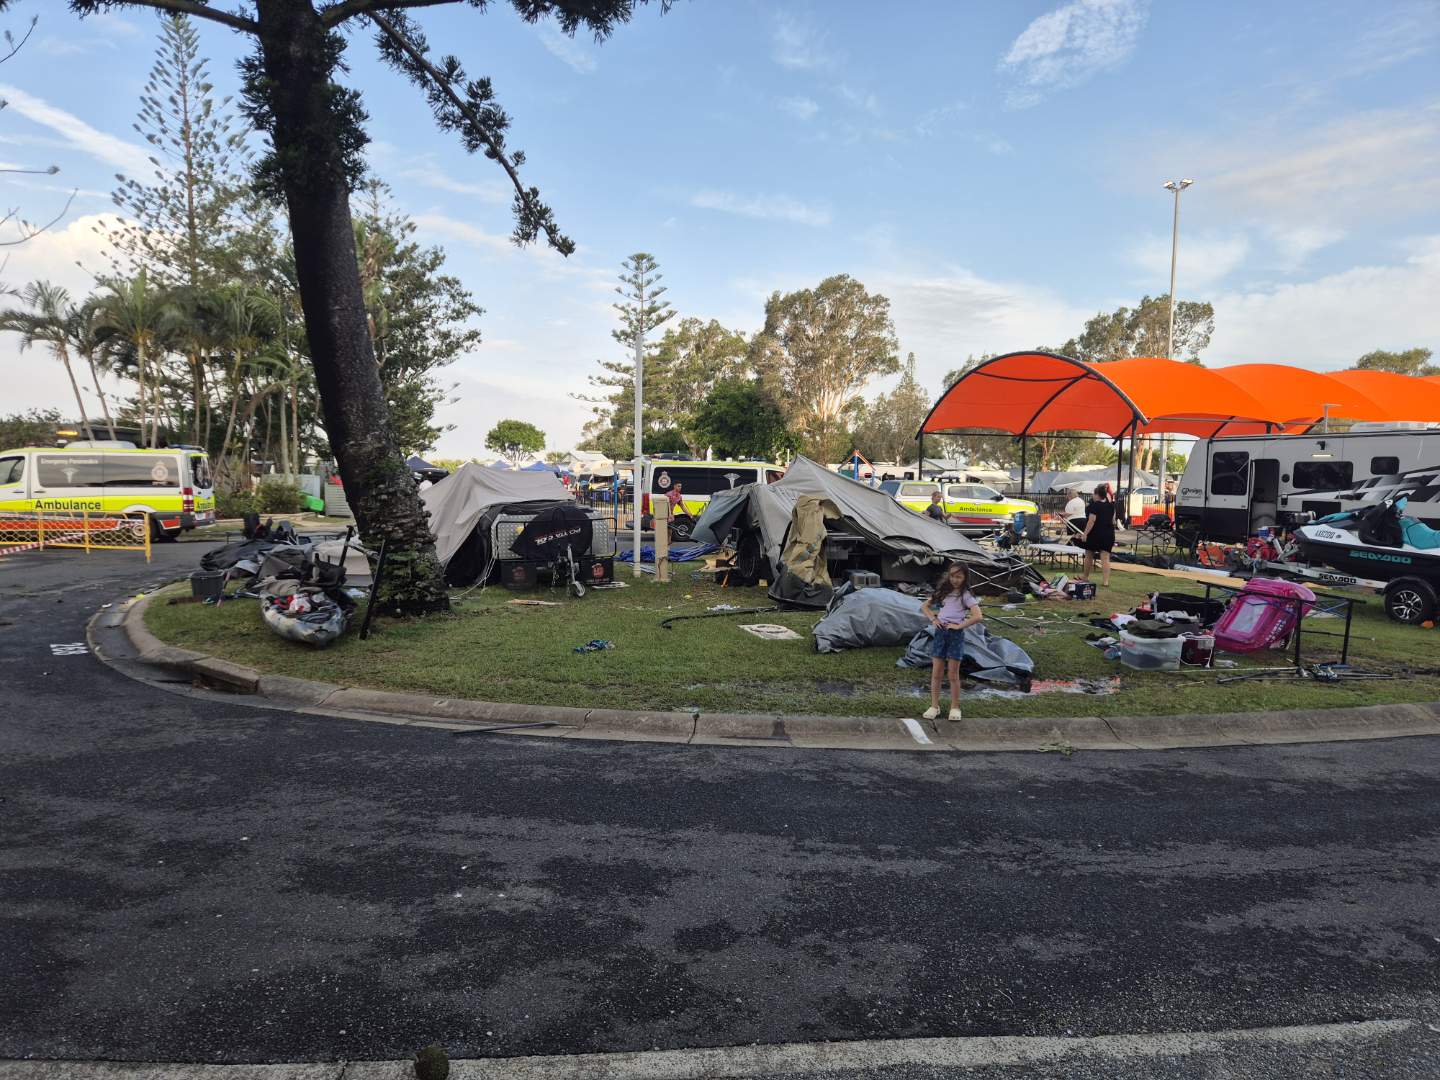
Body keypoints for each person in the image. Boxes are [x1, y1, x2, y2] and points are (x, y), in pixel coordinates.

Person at [920, 562, 983, 722]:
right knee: (936, 673)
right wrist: (933, 619)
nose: (954, 579)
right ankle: (935, 706)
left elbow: (978, 616)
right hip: (940, 633)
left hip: (955, 635)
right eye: (952, 575)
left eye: (959, 576)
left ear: (964, 578)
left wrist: (959, 626)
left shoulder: (966, 595)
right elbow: (925, 606)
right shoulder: (943, 591)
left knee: (953, 674)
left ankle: (955, 707)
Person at [1079, 482, 1117, 586]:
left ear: (1097, 495)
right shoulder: (1111, 506)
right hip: (1108, 533)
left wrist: (1085, 533)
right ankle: (1105, 581)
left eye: (1093, 494)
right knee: (1105, 558)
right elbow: (1112, 520)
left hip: (1095, 533)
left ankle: (1085, 577)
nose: (1092, 496)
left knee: (1089, 555)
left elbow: (1091, 521)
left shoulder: (1094, 505)